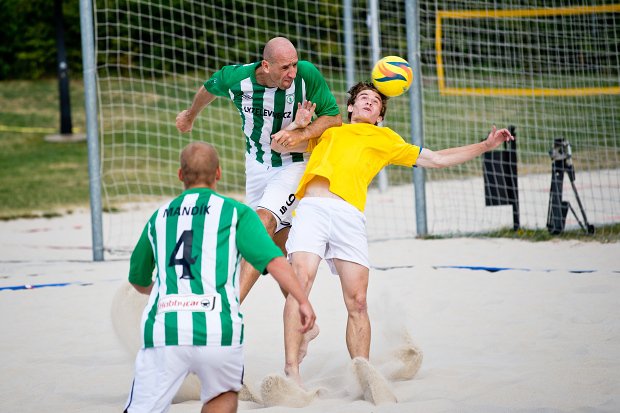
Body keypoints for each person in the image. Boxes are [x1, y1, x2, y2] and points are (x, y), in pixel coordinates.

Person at [275, 82, 514, 385]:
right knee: (301, 285)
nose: (369, 102)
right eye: (363, 98)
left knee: (358, 301)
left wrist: (484, 146)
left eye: (376, 101)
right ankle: (291, 372)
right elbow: (278, 145)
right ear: (350, 107)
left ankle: (363, 374)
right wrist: (298, 126)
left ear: (379, 116)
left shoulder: (386, 139)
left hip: (349, 216)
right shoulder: (330, 130)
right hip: (313, 208)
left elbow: (437, 159)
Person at [123, 142, 316, 413]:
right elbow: (274, 261)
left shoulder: (159, 217)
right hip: (217, 328)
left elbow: (138, 279)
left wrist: (159, 288)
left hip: (165, 328)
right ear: (218, 173)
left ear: (180, 174)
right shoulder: (235, 212)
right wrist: (302, 301)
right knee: (222, 397)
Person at [176, 37, 342, 303]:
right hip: (255, 165)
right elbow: (209, 88)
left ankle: (230, 306)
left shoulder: (306, 75)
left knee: (261, 223)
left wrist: (305, 133)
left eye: (294, 65)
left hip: (294, 164)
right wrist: (190, 116)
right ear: (266, 65)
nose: (292, 73)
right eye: (285, 67)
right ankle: (302, 315)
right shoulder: (237, 79)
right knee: (271, 248)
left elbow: (334, 117)